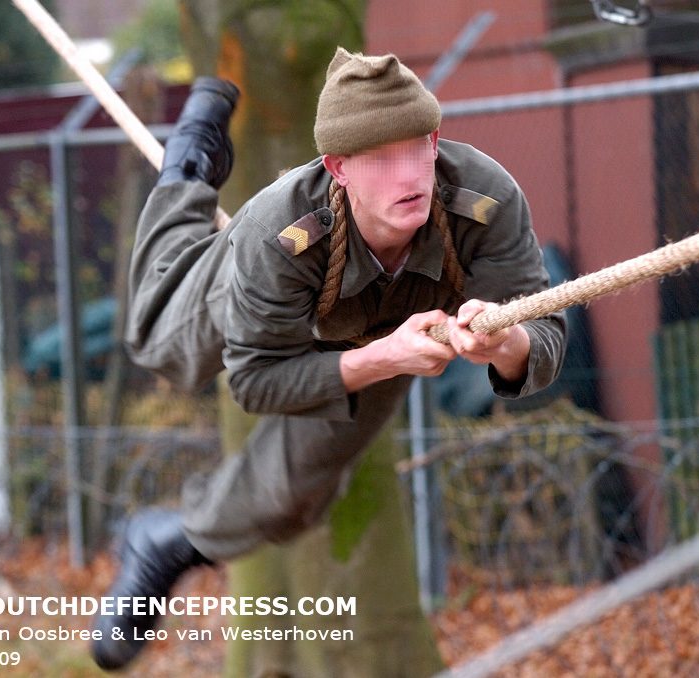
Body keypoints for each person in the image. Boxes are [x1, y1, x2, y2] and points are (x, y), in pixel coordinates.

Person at [91, 47, 567, 670]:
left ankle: (166, 543)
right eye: (382, 160)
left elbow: (545, 334)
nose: (409, 175)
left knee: (293, 497)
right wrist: (384, 358)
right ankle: (190, 166)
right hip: (285, 292)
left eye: (417, 149)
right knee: (161, 346)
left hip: (389, 325)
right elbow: (256, 384)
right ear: (339, 167)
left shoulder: (485, 199)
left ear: (435, 143)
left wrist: (504, 344)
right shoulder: (277, 230)